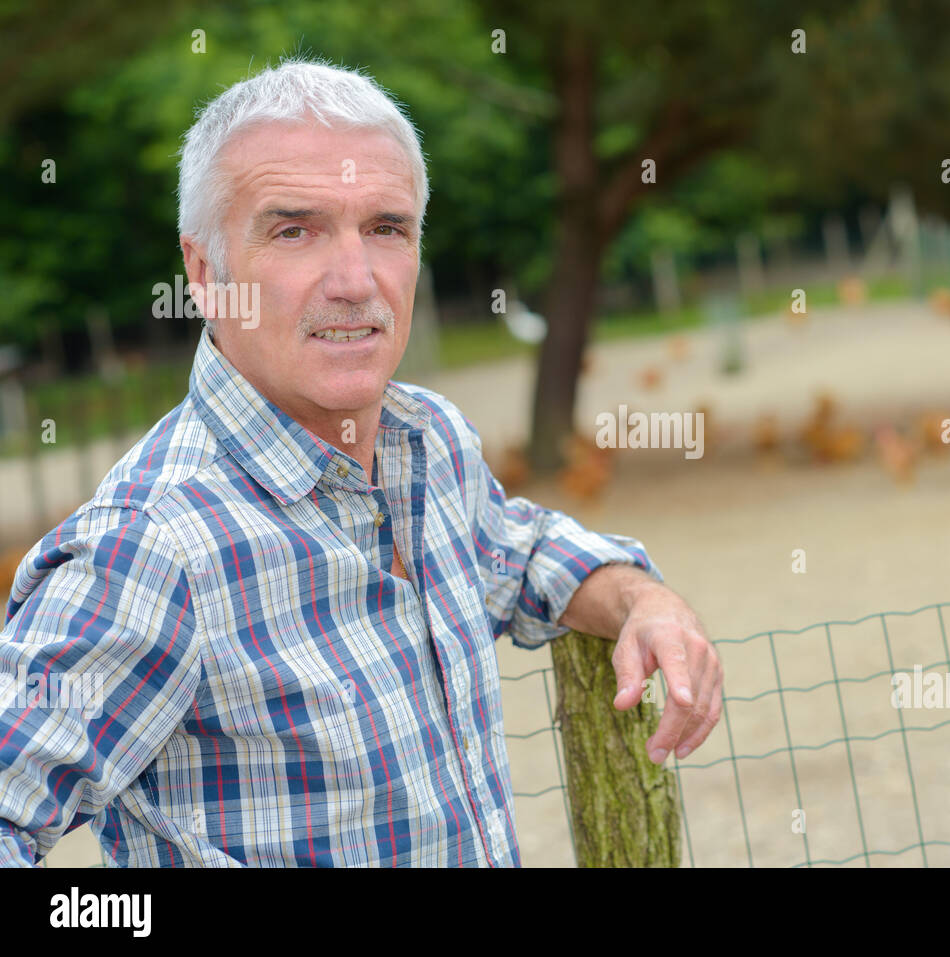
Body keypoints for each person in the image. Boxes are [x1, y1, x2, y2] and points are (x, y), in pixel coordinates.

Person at [0, 57, 721, 867]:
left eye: (385, 227)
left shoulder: (428, 443)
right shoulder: (152, 546)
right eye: (293, 230)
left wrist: (640, 597)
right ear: (205, 272)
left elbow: (510, 552)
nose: (354, 280)